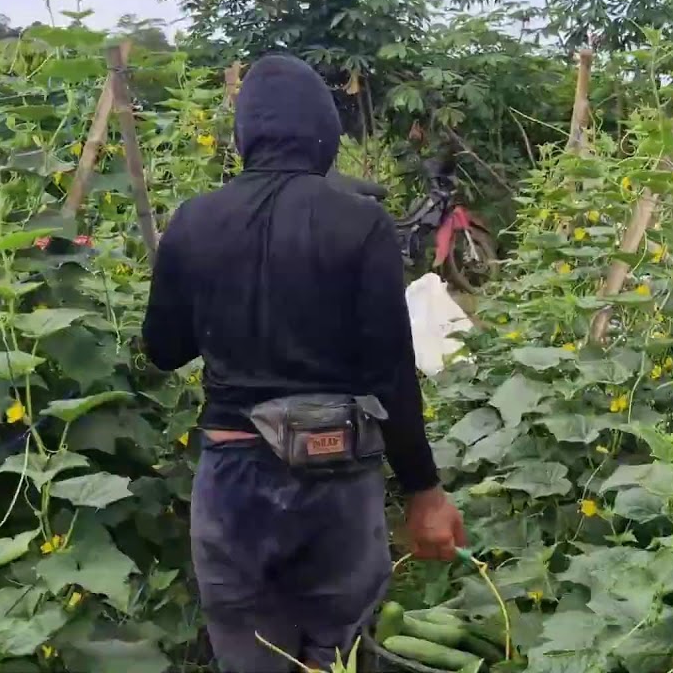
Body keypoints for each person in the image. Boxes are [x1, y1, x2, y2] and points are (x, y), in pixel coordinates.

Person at [140, 53, 466, 672]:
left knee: (249, 651)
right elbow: (389, 372)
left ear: (244, 136)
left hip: (233, 473)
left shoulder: (194, 221)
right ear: (327, 133)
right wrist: (423, 491)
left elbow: (163, 349)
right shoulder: (361, 222)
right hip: (336, 477)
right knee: (339, 648)